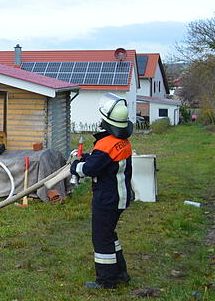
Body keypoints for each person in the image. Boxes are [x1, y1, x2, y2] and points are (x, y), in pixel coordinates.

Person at [70, 93, 134, 289]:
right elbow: (104, 161)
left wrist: (75, 167)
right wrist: (90, 156)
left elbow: (89, 169)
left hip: (108, 199)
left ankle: (106, 281)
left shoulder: (106, 145)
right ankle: (120, 273)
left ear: (106, 122)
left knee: (101, 238)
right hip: (120, 196)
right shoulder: (120, 141)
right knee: (109, 234)